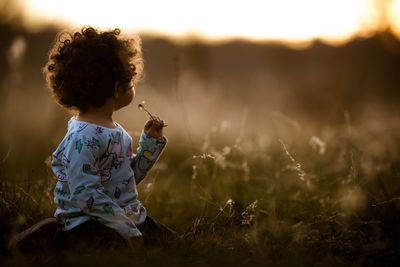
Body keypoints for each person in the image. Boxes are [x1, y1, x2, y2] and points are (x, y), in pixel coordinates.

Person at [10, 26, 176, 250]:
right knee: (105, 248)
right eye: (131, 81)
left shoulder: (117, 133)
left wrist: (150, 143)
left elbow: (126, 180)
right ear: (118, 87)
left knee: (174, 245)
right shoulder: (82, 138)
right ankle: (50, 238)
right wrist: (126, 229)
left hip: (126, 218)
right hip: (89, 222)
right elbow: (86, 195)